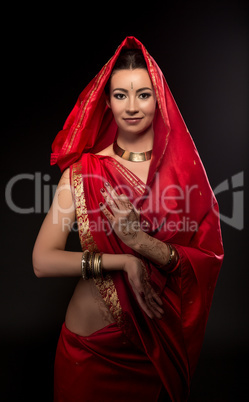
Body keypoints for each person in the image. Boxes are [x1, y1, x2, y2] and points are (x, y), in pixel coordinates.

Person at [32, 36, 224, 401]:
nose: (132, 107)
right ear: (107, 102)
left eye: (143, 94)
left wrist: (141, 241)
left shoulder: (185, 175)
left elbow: (208, 259)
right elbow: (42, 261)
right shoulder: (85, 170)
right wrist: (124, 261)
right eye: (121, 95)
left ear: (160, 99)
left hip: (151, 352)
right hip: (88, 353)